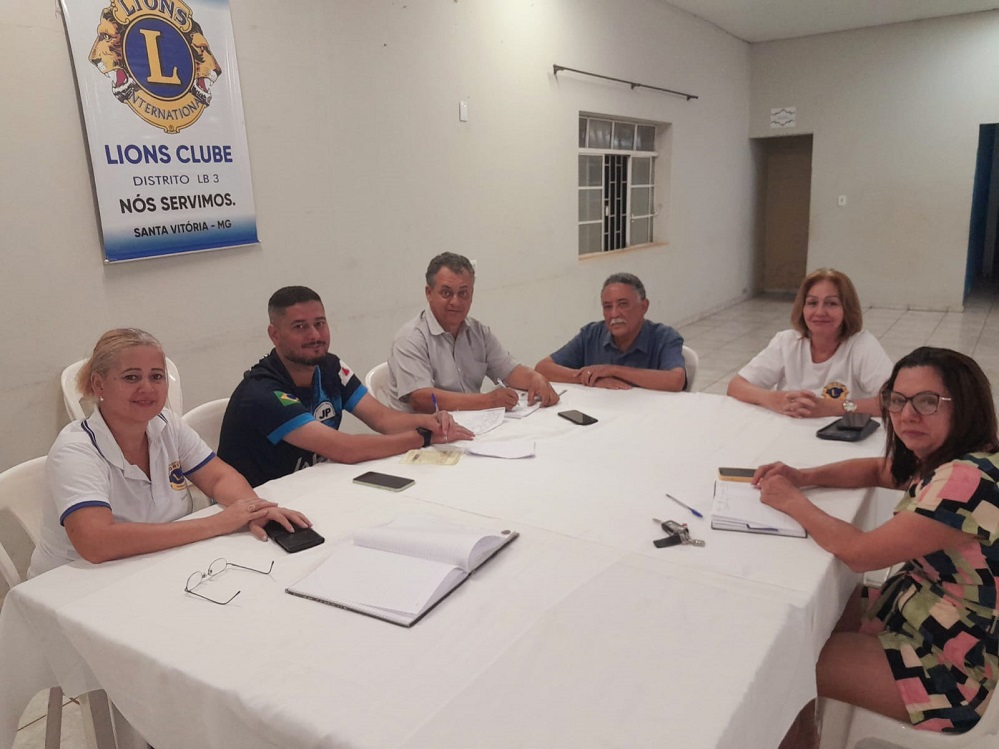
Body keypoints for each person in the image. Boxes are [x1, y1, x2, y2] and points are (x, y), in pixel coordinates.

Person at [754, 347, 999, 746]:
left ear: (965, 405)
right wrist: (803, 476)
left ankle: (805, 736)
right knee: (822, 603)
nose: (906, 415)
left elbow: (860, 552)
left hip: (953, 670)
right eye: (897, 400)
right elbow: (877, 469)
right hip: (928, 616)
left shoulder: (966, 483)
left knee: (780, 665)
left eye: (927, 402)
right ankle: (808, 732)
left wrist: (790, 500)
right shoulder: (962, 458)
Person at [28, 329, 309, 578]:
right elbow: (97, 543)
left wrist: (253, 510)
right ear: (99, 384)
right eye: (131, 377)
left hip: (152, 564)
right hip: (75, 585)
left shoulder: (166, 425)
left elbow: (218, 477)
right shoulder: (76, 450)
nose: (147, 388)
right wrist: (217, 523)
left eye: (156, 376)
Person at [218, 286, 472, 487]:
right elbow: (345, 449)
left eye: (320, 323)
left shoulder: (330, 367)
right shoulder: (262, 391)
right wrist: (422, 437)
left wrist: (428, 421)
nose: (315, 335)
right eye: (300, 327)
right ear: (274, 334)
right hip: (262, 506)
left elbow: (383, 419)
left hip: (313, 485)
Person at [388, 252, 560, 412]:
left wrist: (535, 378)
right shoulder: (410, 338)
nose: (455, 302)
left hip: (471, 423)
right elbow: (422, 399)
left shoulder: (478, 332)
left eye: (463, 293)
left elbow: (509, 372)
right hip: (423, 431)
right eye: (446, 293)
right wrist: (488, 401)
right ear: (429, 293)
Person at [727, 268, 892, 417]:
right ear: (802, 308)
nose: (820, 312)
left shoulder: (862, 345)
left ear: (847, 309)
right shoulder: (786, 342)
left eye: (831, 303)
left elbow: (894, 401)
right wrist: (775, 399)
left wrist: (833, 407)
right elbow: (736, 386)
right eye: (812, 303)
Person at [534, 273, 686, 391]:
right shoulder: (591, 334)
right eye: (607, 307)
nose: (614, 314)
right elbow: (543, 368)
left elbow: (676, 380)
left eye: (623, 304)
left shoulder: (664, 337)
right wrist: (589, 378)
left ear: (644, 307)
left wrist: (612, 370)